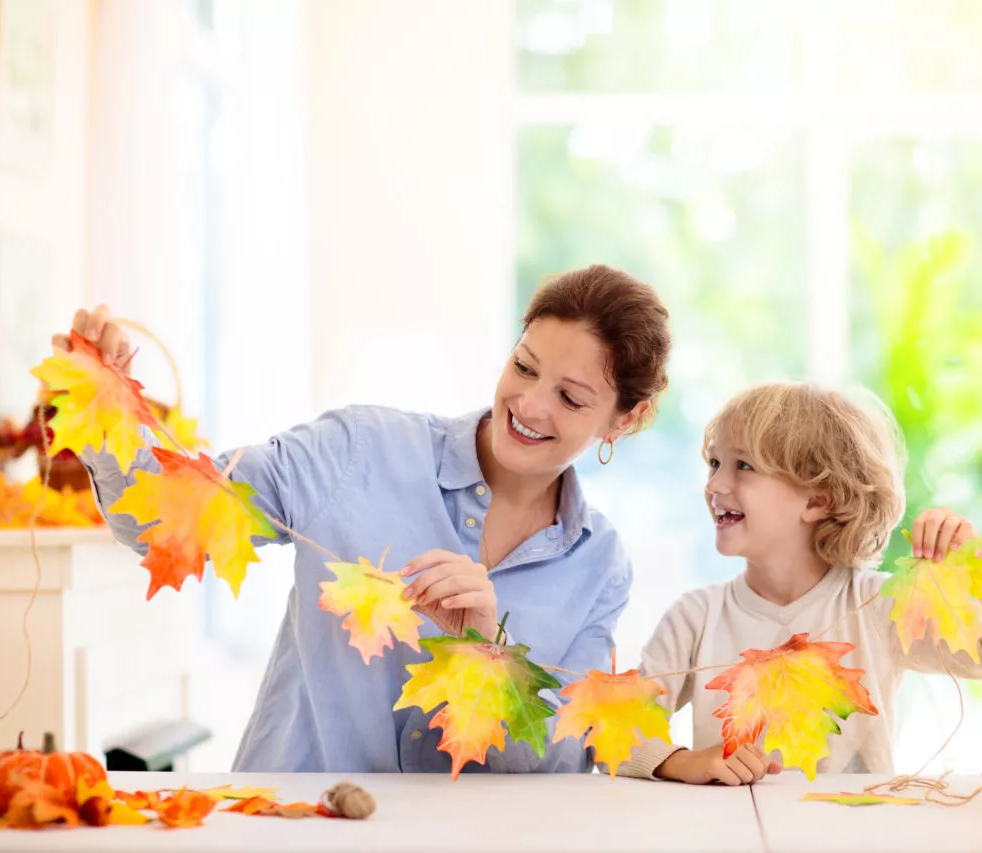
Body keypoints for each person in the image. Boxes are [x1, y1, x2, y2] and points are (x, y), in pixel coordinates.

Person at [58, 264, 672, 774]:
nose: (530, 404)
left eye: (570, 398)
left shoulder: (598, 565)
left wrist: (489, 648)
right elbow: (162, 523)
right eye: (525, 366)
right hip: (291, 831)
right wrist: (102, 412)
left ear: (625, 420)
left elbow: (557, 764)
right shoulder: (354, 450)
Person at [617, 381, 982, 785]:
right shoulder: (696, 617)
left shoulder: (880, 608)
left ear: (817, 499)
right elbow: (616, 730)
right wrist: (679, 760)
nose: (714, 483)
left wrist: (981, 569)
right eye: (714, 462)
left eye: (743, 465)